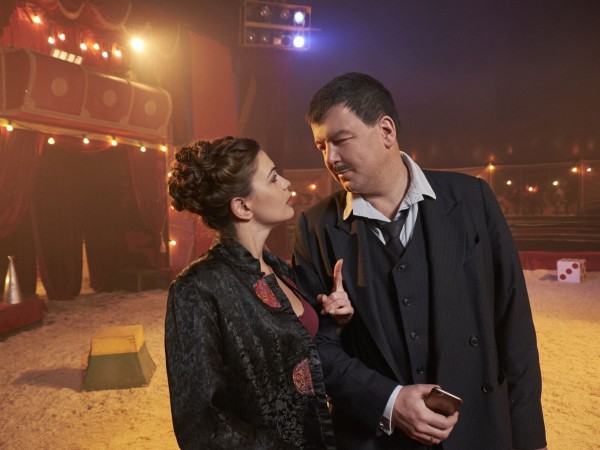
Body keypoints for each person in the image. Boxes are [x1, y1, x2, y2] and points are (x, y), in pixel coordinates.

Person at [292, 73, 548, 450]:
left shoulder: (473, 198)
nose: (330, 158)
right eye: (321, 146)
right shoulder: (314, 226)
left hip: (479, 431)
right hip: (374, 438)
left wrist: (529, 438)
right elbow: (311, 347)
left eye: (340, 140)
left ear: (386, 131)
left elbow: (514, 322)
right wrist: (389, 402)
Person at [164, 136, 353, 449]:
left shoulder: (280, 269)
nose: (286, 183)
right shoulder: (196, 289)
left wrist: (336, 322)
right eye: (273, 177)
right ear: (242, 206)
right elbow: (200, 426)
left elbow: (298, 355)